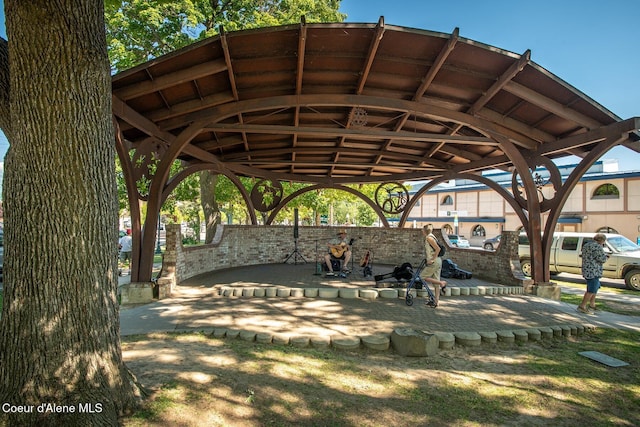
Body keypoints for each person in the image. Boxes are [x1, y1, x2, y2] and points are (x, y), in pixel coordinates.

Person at [577, 233, 608, 314]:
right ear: (601, 240)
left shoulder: (587, 245)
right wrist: (606, 257)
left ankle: (592, 304)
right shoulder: (597, 246)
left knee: (595, 287)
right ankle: (582, 306)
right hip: (594, 270)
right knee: (592, 289)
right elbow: (601, 259)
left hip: (587, 269)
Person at [421, 224, 447, 307]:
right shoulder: (432, 236)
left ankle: (441, 283)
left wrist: (432, 259)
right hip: (438, 261)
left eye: (422, 229)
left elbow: (438, 249)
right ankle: (436, 302)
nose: (421, 231)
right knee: (436, 284)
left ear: (425, 230)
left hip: (434, 261)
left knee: (422, 276)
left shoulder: (429, 238)